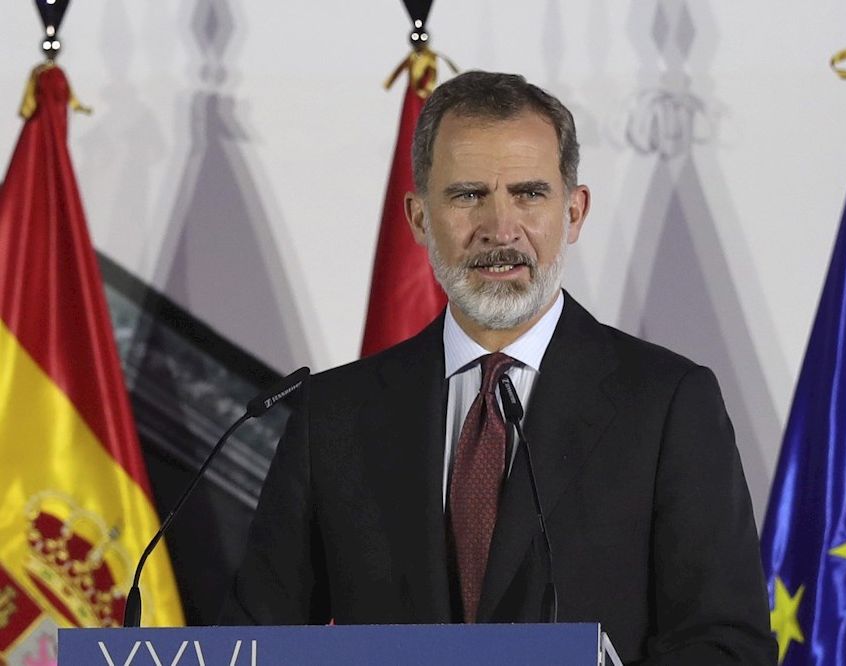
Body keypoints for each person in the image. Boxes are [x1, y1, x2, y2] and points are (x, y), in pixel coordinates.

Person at [222, 71, 776, 665]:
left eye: (529, 194)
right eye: (468, 196)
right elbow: (255, 646)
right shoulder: (333, 416)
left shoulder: (668, 405)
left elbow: (727, 646)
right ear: (418, 218)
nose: (500, 229)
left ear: (574, 212)